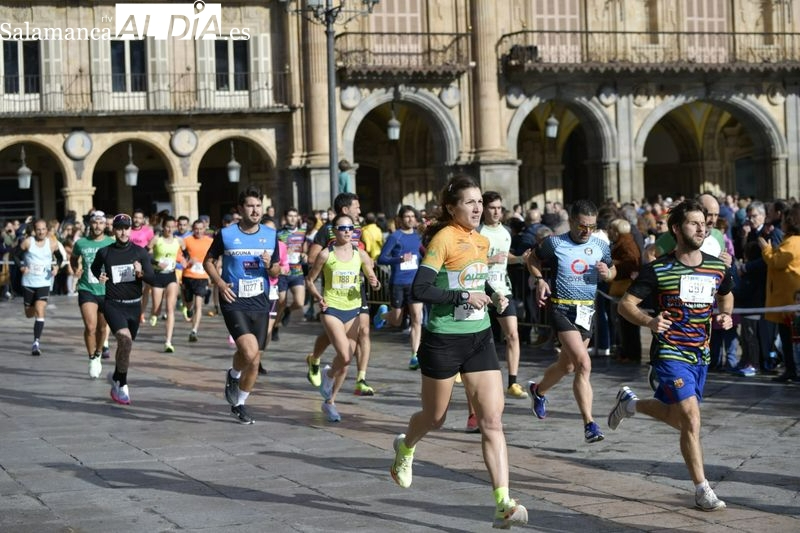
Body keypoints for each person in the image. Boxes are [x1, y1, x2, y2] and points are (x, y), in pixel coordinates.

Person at [390, 175, 528, 530]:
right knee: (434, 418)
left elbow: (474, 280)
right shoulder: (443, 239)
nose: (478, 208)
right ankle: (406, 447)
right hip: (443, 341)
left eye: (480, 201)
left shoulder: (481, 241)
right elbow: (421, 289)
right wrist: (464, 297)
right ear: (452, 208)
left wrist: (493, 295)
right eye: (470, 202)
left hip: (479, 338)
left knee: (492, 421)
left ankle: (503, 503)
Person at [610, 199, 734, 512]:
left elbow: (726, 294)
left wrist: (726, 314)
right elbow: (625, 305)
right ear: (677, 229)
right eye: (694, 223)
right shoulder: (659, 269)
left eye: (703, 223)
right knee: (691, 418)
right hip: (670, 352)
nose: (702, 228)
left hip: (700, 355)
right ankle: (702, 490)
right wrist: (650, 321)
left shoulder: (717, 267)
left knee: (679, 418)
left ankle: (630, 404)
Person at [525, 199, 616, 443]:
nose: (587, 231)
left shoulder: (600, 245)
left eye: (592, 227)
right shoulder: (554, 243)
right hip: (562, 309)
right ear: (572, 222)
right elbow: (532, 259)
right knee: (584, 364)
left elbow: (612, 269)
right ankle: (590, 424)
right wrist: (540, 280)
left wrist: (608, 273)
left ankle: (538, 390)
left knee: (567, 366)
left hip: (587, 311)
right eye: (582, 226)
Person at [203, 186, 281, 424]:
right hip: (234, 300)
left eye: (258, 206)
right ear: (240, 209)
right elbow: (208, 261)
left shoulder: (270, 235)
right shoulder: (226, 234)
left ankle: (239, 400)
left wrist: (269, 265)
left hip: (260, 300)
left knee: (254, 358)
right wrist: (219, 283)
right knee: (249, 352)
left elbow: (276, 270)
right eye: (250, 206)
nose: (255, 210)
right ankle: (235, 378)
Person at [306, 214, 380, 421]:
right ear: (334, 231)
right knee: (346, 356)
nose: (347, 232)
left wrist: (375, 283)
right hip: (332, 309)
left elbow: (374, 281)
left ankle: (330, 402)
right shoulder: (325, 255)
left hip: (353, 309)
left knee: (345, 364)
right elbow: (310, 280)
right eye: (342, 228)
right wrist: (318, 297)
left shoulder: (360, 254)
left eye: (351, 228)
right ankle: (328, 376)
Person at [91, 213, 156, 405]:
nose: (123, 232)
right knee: (125, 339)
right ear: (113, 230)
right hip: (113, 304)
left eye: (126, 228)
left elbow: (152, 279)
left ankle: (117, 376)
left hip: (134, 306)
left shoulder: (140, 252)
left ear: (130, 230)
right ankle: (123, 385)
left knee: (125, 347)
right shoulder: (105, 252)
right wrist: (101, 276)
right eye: (119, 228)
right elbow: (95, 268)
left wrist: (140, 273)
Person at [374, 205, 424, 370]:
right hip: (398, 282)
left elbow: (422, 255)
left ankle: (415, 356)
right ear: (400, 219)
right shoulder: (395, 237)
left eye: (412, 216)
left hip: (415, 283)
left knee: (417, 318)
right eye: (407, 216)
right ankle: (383, 315)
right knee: (396, 320)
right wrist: (399, 259)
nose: (410, 219)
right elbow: (381, 259)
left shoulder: (418, 237)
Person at [70, 210, 114, 377]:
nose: (97, 226)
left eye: (101, 223)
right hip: (86, 289)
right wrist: (76, 268)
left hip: (106, 291)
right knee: (90, 327)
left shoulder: (111, 242)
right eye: (95, 222)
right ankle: (92, 358)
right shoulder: (81, 243)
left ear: (105, 225)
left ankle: (99, 352)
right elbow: (73, 258)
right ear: (90, 224)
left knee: (102, 328)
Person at [760, 203, 800, 383]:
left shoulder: (793, 242)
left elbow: (776, 261)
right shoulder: (791, 240)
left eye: (784, 220)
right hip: (788, 298)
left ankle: (792, 369)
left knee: (790, 338)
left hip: (788, 299)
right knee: (787, 337)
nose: (781, 223)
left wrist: (765, 248)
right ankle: (790, 369)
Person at [13, 219, 61, 355]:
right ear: (34, 230)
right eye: (38, 229)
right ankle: (33, 306)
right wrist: (21, 267)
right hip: (29, 282)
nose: (41, 232)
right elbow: (15, 255)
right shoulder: (28, 242)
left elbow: (60, 257)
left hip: (44, 282)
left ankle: (36, 343)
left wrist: (56, 267)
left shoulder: (52, 243)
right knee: (29, 313)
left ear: (47, 230)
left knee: (40, 310)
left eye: (43, 229)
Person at [146, 216, 183, 352]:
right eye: (167, 226)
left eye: (172, 227)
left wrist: (185, 260)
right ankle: (154, 314)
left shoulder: (179, 241)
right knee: (157, 307)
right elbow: (145, 255)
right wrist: (156, 262)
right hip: (157, 276)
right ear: (163, 226)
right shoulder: (157, 239)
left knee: (170, 308)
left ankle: (168, 341)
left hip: (171, 276)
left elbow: (186, 253)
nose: (170, 229)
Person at [273, 208, 309, 340]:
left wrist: (305, 255)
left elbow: (305, 250)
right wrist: (284, 253)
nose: (293, 218)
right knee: (281, 303)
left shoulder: (302, 233)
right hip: (283, 273)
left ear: (298, 217)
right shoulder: (279, 233)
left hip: (297, 271)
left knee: (300, 303)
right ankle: (275, 326)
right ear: (285, 217)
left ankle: (288, 310)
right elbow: (274, 252)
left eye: (295, 216)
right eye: (290, 215)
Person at [181, 219, 214, 342]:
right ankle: (188, 309)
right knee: (188, 302)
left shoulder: (210, 241)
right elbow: (180, 255)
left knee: (198, 305)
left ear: (204, 229)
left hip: (202, 276)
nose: (198, 231)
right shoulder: (187, 240)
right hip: (188, 275)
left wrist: (212, 272)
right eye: (196, 229)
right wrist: (187, 262)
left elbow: (214, 257)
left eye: (201, 229)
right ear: (192, 229)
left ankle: (194, 330)